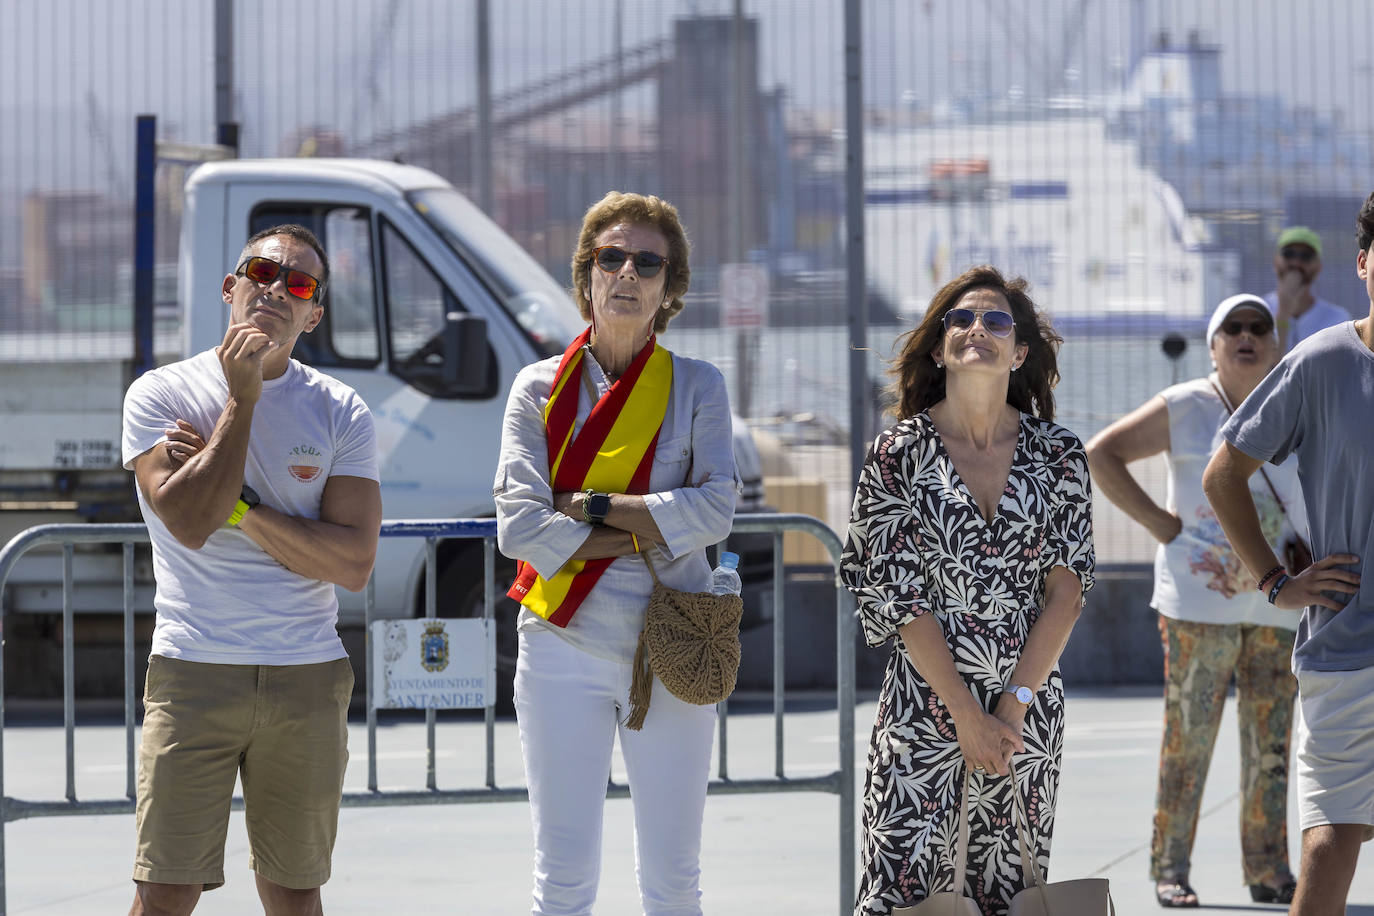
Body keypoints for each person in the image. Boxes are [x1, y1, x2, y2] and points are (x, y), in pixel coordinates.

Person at [121, 224, 382, 916]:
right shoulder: (161, 394)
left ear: (313, 314)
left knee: (296, 895)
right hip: (193, 668)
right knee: (163, 893)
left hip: (306, 674)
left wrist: (242, 508)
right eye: (260, 272)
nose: (274, 288)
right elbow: (188, 522)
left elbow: (353, 562)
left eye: (297, 283)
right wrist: (241, 400)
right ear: (230, 288)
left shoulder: (341, 409)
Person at [494, 191, 738, 916]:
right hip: (559, 642)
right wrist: (658, 524)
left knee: (673, 882)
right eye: (610, 257)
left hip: (674, 643)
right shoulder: (536, 390)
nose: (626, 273)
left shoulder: (699, 386)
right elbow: (516, 527)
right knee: (562, 881)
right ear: (586, 275)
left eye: (647, 261)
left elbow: (719, 508)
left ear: (670, 287)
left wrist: (594, 509)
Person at [840, 265, 1095, 916]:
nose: (977, 328)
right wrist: (965, 715)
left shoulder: (1060, 455)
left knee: (1010, 895)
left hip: (1026, 717)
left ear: (1020, 352)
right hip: (925, 714)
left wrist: (1009, 711)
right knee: (906, 895)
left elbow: (1067, 592)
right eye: (961, 319)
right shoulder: (896, 455)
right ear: (938, 345)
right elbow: (898, 598)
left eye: (996, 321)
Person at [1086, 294, 1305, 907]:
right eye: (1230, 327)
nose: (1245, 336)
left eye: (1258, 327)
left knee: (1271, 746)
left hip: (1276, 605)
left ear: (1274, 341)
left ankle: (1268, 870)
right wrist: (1160, 524)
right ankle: (1170, 868)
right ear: (1212, 345)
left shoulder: (1293, 401)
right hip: (1196, 608)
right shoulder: (1186, 406)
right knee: (1189, 737)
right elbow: (1101, 454)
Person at [1203, 196, 1374, 916]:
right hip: (1347, 649)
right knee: (1329, 845)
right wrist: (1277, 582)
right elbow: (1223, 475)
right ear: (1364, 262)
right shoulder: (1322, 361)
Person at [1264, 225, 1348, 352]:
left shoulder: (1337, 320)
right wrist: (1283, 313)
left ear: (1318, 267)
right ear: (1276, 261)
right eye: (1289, 254)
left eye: (1306, 256)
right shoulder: (1257, 311)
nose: (1296, 263)